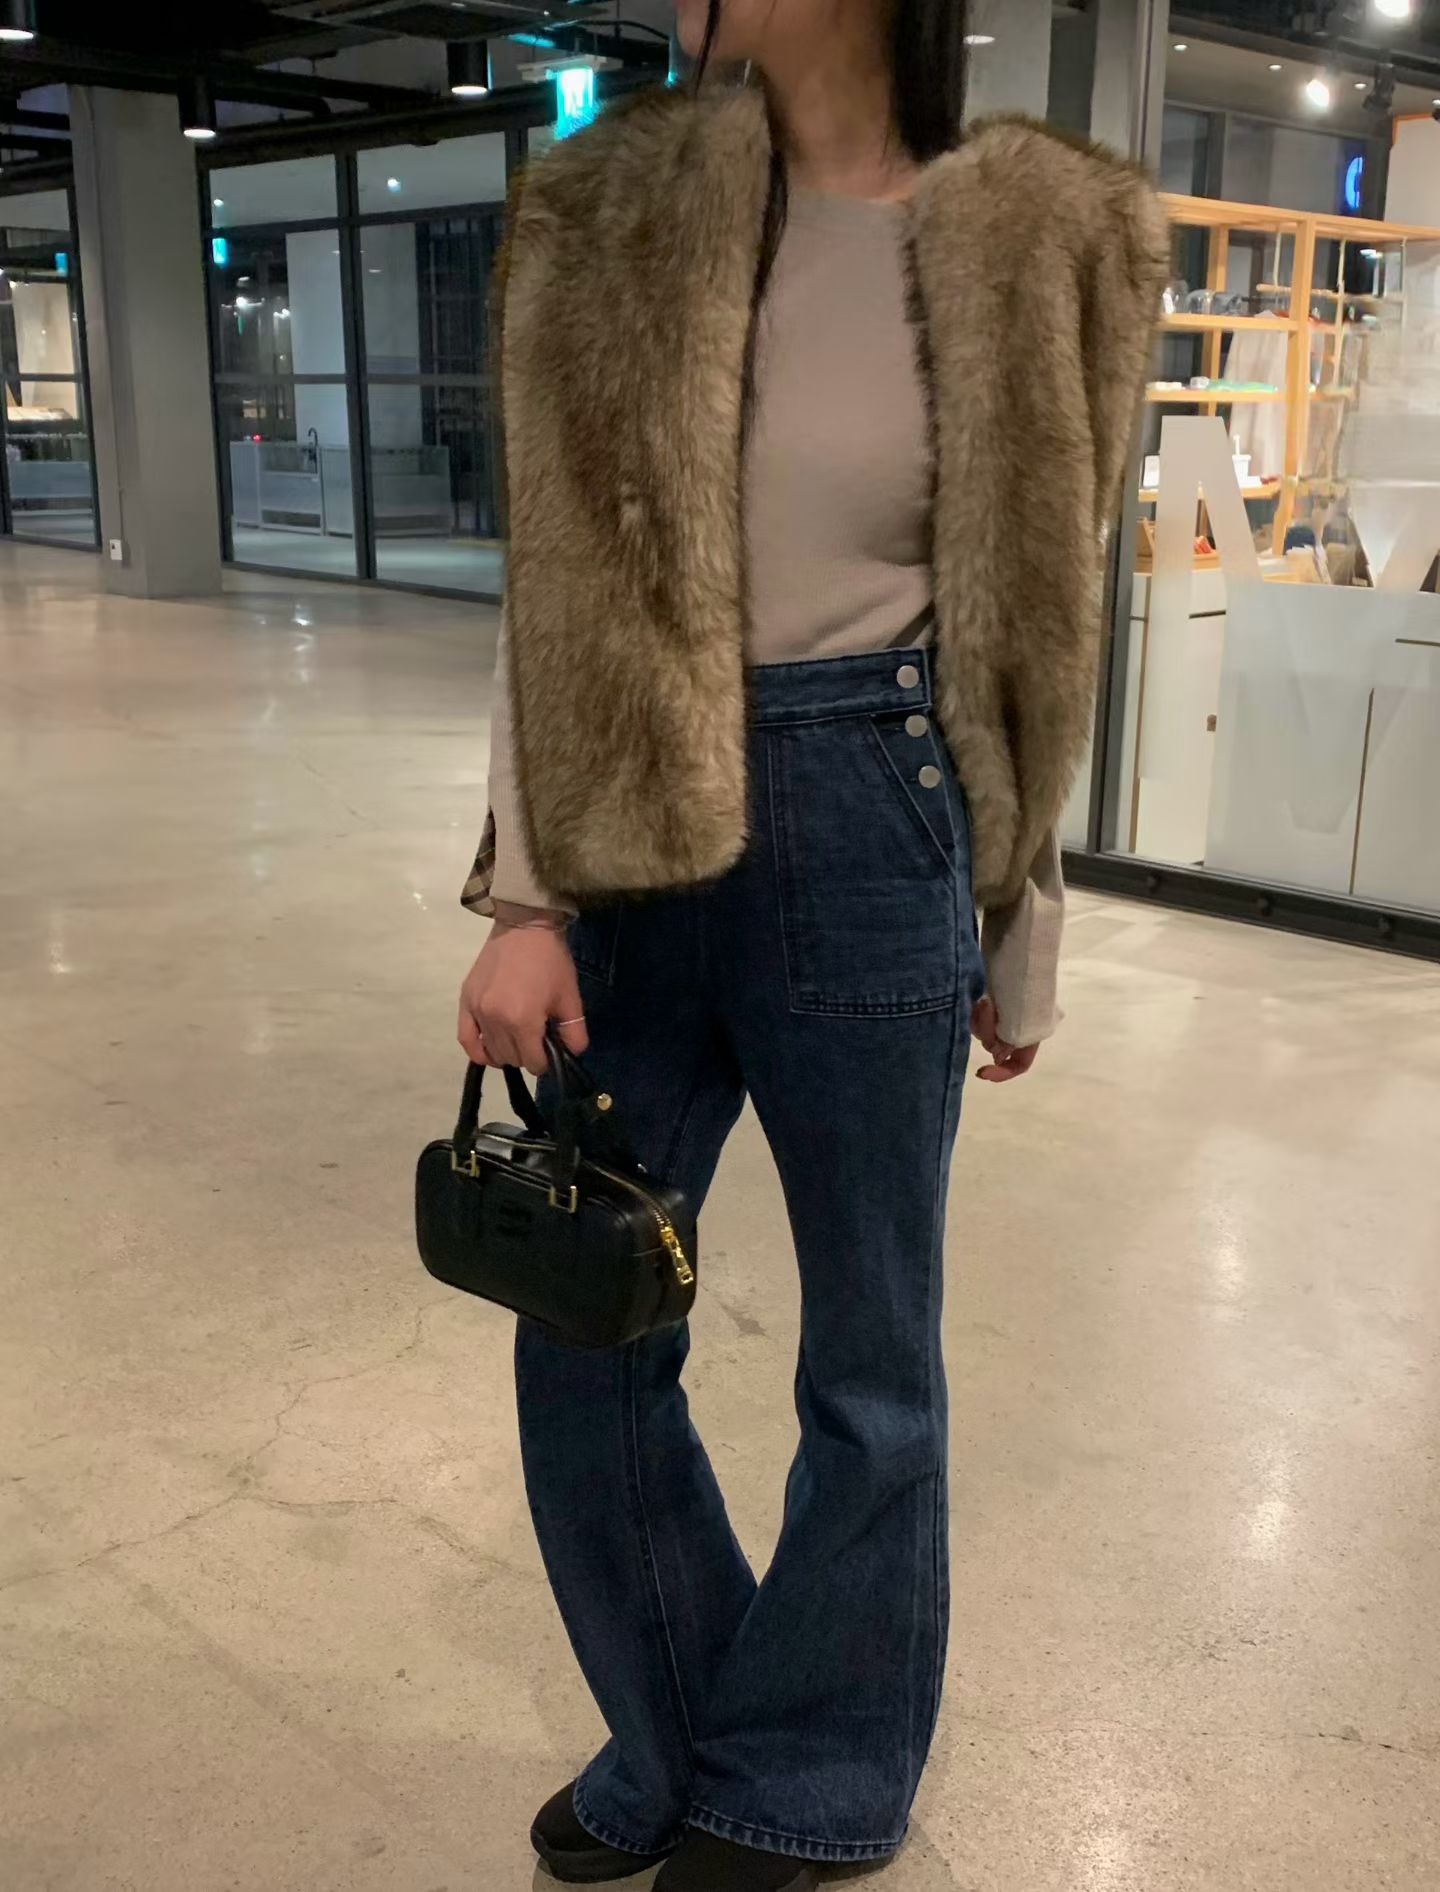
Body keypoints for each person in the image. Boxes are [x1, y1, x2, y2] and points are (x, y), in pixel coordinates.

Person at [456, 3, 1167, 1887]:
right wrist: (525, 895)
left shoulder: (1039, 238)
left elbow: (1043, 626)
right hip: (625, 830)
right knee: (586, 1322)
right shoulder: (607, 218)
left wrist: (1021, 920)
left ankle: (818, 1775)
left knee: (871, 1359)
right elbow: (551, 579)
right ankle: (680, 1728)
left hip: (881, 810)